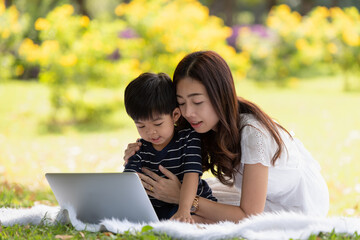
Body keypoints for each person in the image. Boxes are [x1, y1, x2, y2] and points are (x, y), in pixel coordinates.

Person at [123, 51, 329, 223]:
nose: (188, 113)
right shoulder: (201, 124)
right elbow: (170, 147)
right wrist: (141, 151)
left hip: (295, 206)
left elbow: (249, 216)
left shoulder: (254, 135)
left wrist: (181, 197)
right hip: (254, 201)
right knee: (185, 210)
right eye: (182, 103)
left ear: (219, 95)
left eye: (197, 102)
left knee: (193, 220)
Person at [123, 72, 217, 222]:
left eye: (158, 124)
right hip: (157, 210)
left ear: (175, 115)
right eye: (141, 125)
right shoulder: (140, 149)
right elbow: (127, 182)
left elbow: (191, 174)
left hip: (188, 205)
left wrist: (184, 209)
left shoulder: (188, 139)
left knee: (193, 222)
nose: (151, 132)